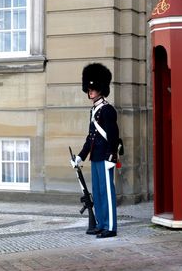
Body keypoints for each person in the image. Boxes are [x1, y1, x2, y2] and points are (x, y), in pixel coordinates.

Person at [71, 63, 119, 238]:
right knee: (98, 193)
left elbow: (113, 136)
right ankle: (101, 223)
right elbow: (90, 137)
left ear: (101, 89)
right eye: (88, 89)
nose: (90, 92)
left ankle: (111, 227)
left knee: (107, 193)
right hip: (95, 157)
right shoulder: (93, 110)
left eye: (93, 88)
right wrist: (80, 156)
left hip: (105, 157)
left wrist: (111, 157)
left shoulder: (107, 110)